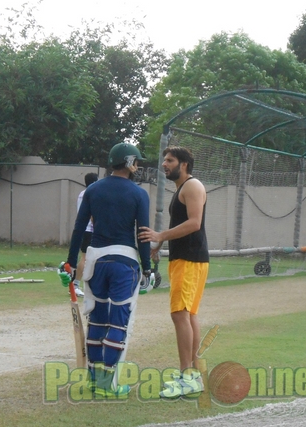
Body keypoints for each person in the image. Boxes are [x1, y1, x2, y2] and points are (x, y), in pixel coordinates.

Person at [63, 142, 152, 398]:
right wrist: (147, 268)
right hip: (124, 262)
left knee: (98, 318)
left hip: (95, 260)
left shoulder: (93, 190)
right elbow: (142, 234)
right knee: (119, 321)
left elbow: (80, 228)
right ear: (129, 162)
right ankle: (108, 384)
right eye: (136, 162)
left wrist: (70, 263)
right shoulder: (139, 194)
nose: (138, 166)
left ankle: (93, 378)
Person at [138, 146, 209, 399]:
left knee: (180, 315)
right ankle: (192, 376)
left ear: (184, 164)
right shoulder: (182, 188)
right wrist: (160, 244)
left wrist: (159, 235)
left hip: (190, 260)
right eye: (164, 160)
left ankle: (187, 376)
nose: (164, 164)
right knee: (187, 315)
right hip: (186, 259)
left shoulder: (192, 186)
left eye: (170, 160)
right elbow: (181, 224)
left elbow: (194, 223)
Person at [74, 172, 99, 297]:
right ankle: (76, 285)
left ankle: (83, 284)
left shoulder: (81, 194)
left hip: (83, 229)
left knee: (88, 258)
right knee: (85, 258)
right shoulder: (93, 194)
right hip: (90, 230)